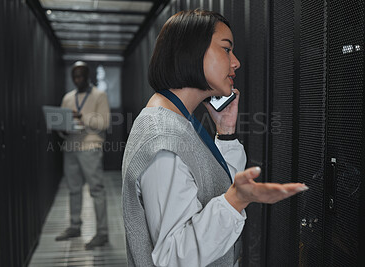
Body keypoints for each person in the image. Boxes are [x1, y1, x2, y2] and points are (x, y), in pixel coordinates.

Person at [122, 9, 308, 267]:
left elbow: (212, 190)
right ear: (192, 52)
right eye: (226, 49)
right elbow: (174, 255)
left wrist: (226, 133)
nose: (236, 62)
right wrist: (237, 200)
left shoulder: (178, 119)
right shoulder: (163, 139)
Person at [56, 61, 111, 250]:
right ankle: (74, 226)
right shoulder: (68, 98)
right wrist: (61, 127)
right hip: (70, 146)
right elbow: (63, 124)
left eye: (81, 76)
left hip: (90, 147)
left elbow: (104, 122)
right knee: (73, 189)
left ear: (88, 76)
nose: (77, 79)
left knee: (96, 190)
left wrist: (81, 117)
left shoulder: (99, 95)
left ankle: (102, 233)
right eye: (75, 76)